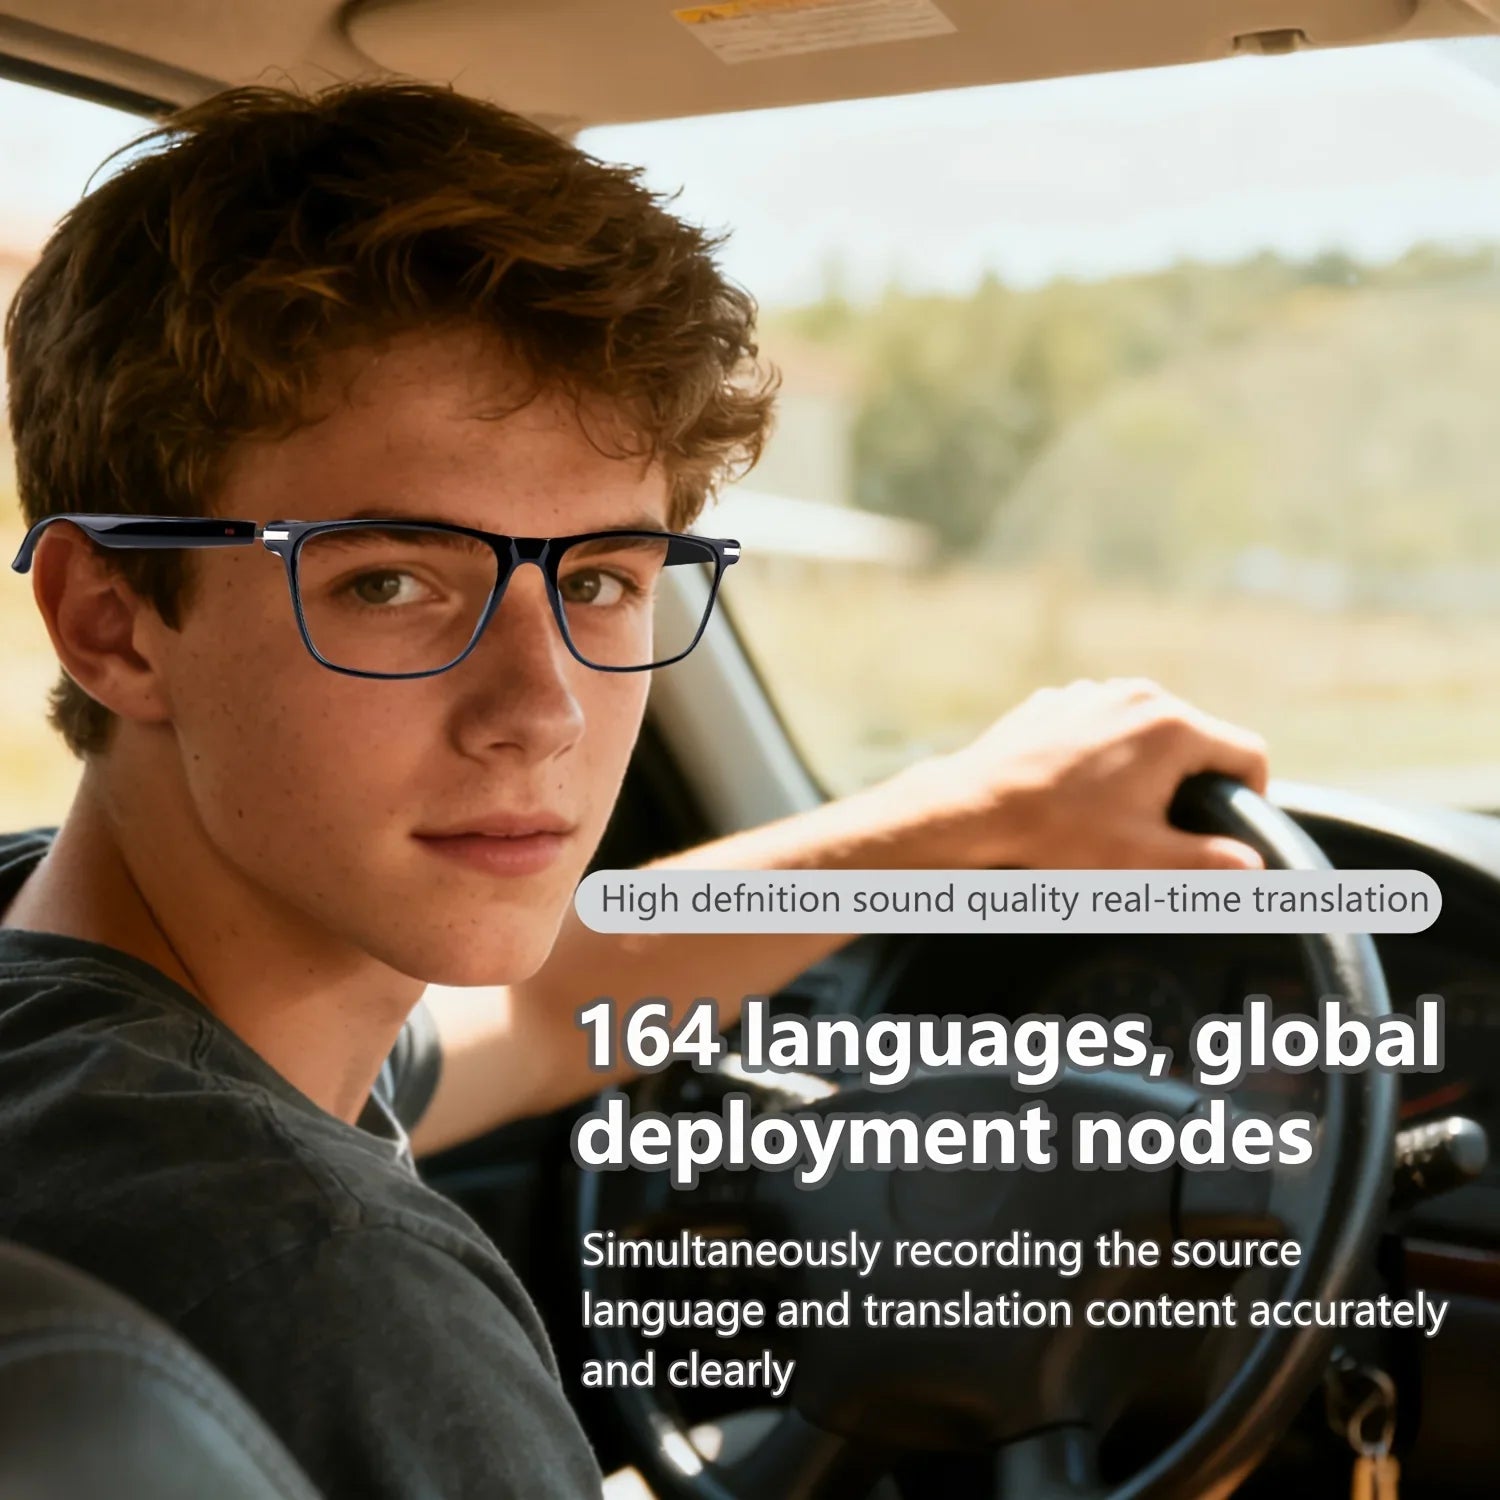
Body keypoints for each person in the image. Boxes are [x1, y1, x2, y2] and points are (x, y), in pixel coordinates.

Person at [0, 79, 1268, 1499]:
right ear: (109, 619)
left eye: (600, 579)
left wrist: (977, 812)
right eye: (394, 582)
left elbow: (542, 1010)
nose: (541, 714)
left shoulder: (55, 984)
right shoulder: (323, 1287)